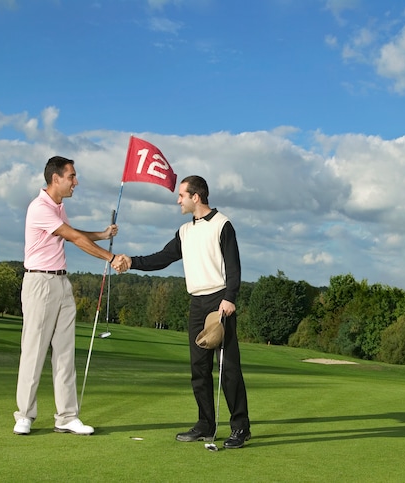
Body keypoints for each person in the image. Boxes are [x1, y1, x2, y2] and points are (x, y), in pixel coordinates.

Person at [112, 175, 251, 449]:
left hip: (219, 302)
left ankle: (240, 428)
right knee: (199, 370)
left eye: (181, 196)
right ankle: (206, 425)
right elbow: (162, 258)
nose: (178, 200)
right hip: (197, 304)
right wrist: (132, 261)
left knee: (229, 369)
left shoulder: (223, 225)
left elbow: (234, 266)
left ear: (195, 197)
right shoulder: (185, 232)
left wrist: (230, 298)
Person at [14, 155, 119, 436]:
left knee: (64, 353)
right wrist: (110, 257)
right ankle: (24, 415)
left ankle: (66, 417)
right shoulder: (39, 208)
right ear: (55, 178)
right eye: (72, 176)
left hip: (61, 284)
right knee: (34, 351)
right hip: (39, 283)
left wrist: (101, 233)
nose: (76, 181)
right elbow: (72, 237)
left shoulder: (58, 207)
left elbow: (72, 233)